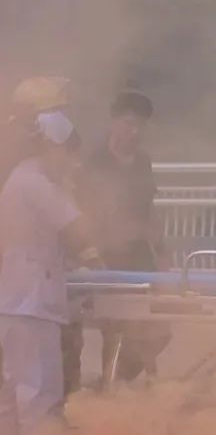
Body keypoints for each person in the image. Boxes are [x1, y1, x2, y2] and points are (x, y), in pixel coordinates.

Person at [0, 111, 101, 435]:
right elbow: (77, 228)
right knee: (39, 399)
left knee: (12, 405)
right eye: (68, 152)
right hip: (31, 305)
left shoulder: (19, 179)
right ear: (51, 147)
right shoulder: (35, 183)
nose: (71, 161)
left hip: (16, 302)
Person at [74, 90, 169, 387]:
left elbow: (150, 208)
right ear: (114, 122)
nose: (135, 132)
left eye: (140, 126)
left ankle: (121, 381)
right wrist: (89, 253)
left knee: (155, 327)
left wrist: (162, 248)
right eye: (129, 124)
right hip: (106, 255)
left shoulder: (142, 161)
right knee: (114, 327)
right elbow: (81, 210)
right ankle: (110, 388)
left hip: (140, 255)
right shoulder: (94, 161)